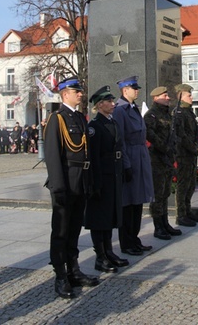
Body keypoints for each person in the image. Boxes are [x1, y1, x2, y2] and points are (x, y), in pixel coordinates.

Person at [44, 76, 99, 299]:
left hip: (80, 180)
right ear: (65, 94)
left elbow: (86, 152)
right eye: (76, 91)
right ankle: (60, 275)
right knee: (61, 231)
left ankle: (73, 270)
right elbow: (52, 155)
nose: (80, 94)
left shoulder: (79, 118)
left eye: (80, 91)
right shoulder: (57, 119)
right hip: (65, 181)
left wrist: (90, 181)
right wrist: (58, 186)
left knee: (75, 228)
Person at [84, 85, 129, 273]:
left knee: (110, 216)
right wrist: (94, 182)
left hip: (114, 175)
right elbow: (92, 157)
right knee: (99, 218)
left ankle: (109, 251)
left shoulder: (112, 122)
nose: (113, 104)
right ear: (100, 105)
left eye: (112, 101)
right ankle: (100, 256)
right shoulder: (95, 127)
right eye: (109, 102)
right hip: (102, 175)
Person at [112, 76, 154, 255]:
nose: (137, 90)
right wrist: (126, 165)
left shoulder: (133, 108)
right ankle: (126, 242)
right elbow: (119, 140)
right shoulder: (120, 110)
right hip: (130, 157)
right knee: (128, 203)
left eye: (137, 88)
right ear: (124, 90)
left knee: (137, 202)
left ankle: (134, 239)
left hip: (140, 157)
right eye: (133, 88)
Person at [144, 86, 182, 240]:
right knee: (158, 194)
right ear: (155, 98)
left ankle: (165, 223)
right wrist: (164, 147)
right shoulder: (151, 115)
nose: (168, 98)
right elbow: (150, 134)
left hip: (167, 158)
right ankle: (158, 226)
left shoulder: (167, 114)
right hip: (157, 159)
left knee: (165, 192)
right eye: (164, 96)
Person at [174, 84, 198, 227]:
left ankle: (187, 210)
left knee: (191, 184)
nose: (191, 97)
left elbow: (192, 133)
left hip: (191, 154)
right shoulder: (179, 112)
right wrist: (192, 148)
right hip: (183, 154)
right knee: (183, 185)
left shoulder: (189, 112)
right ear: (181, 97)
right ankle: (181, 215)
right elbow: (181, 135)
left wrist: (197, 142)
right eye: (188, 95)